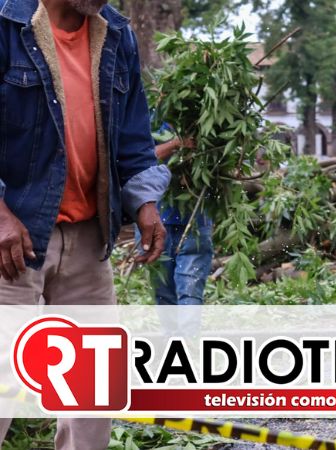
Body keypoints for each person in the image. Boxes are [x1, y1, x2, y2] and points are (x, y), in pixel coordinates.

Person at [0, 0, 169, 448]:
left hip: (89, 236)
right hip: (12, 239)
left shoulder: (116, 34)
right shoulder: (5, 26)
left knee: (93, 390)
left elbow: (134, 136)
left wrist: (145, 202)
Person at [144, 124, 213, 334]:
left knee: (190, 287)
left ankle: (189, 343)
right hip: (154, 218)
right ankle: (173, 341)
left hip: (195, 218)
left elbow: (229, 166)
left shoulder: (205, 121)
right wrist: (176, 145)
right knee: (163, 289)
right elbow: (138, 160)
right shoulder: (149, 117)